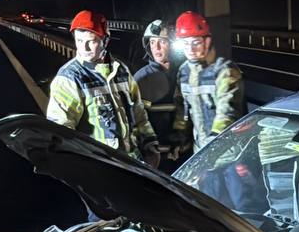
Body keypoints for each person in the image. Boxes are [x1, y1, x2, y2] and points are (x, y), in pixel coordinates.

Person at [45, 10, 159, 166]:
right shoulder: (69, 78)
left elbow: (138, 112)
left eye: (91, 41)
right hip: (100, 165)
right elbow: (61, 129)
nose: (84, 48)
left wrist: (150, 143)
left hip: (132, 160)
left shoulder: (121, 71)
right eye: (79, 40)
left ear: (105, 40)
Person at [173, 11, 244, 152]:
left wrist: (212, 147)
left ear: (207, 41)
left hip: (230, 153)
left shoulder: (224, 71)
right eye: (185, 43)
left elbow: (227, 113)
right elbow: (182, 109)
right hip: (200, 150)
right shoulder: (184, 72)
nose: (190, 49)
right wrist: (179, 137)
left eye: (196, 43)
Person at [132, 19, 181, 159]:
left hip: (183, 150)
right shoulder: (141, 78)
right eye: (152, 42)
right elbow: (135, 119)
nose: (156, 47)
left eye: (162, 41)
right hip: (155, 153)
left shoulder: (183, 72)